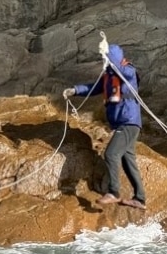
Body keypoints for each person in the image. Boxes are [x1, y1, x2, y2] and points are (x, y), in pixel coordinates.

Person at [63, 43, 147, 209]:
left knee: (111, 154)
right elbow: (92, 88)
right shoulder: (108, 76)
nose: (105, 62)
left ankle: (114, 192)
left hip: (128, 122)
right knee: (128, 161)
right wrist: (75, 90)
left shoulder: (128, 71)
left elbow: (121, 70)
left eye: (107, 59)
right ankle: (140, 199)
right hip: (124, 123)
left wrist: (108, 53)